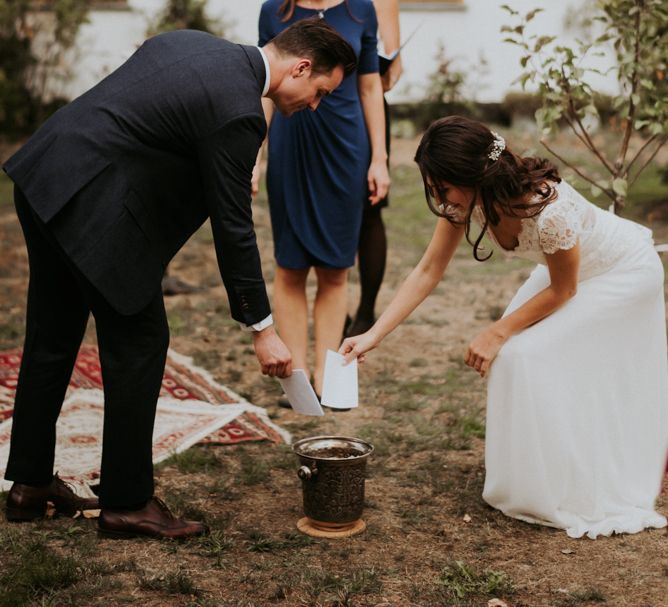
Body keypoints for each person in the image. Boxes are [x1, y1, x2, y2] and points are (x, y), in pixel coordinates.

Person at [2, 20, 357, 539]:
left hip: (47, 175)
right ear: (301, 68)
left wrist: (230, 165)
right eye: (320, 91)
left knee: (52, 337)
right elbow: (234, 230)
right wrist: (262, 328)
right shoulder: (239, 112)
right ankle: (127, 503)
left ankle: (29, 487)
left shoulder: (190, 43)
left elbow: (155, 115)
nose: (316, 104)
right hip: (93, 209)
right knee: (141, 343)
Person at [340, 116, 668, 539]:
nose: (441, 199)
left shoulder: (550, 209)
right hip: (567, 276)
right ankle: (526, 479)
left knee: (521, 353)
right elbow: (426, 271)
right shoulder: (465, 201)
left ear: (473, 174)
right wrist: (373, 335)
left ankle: (570, 482)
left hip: (620, 273)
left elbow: (564, 289)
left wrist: (497, 331)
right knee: (511, 358)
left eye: (444, 187)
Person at [255, 0, 390, 403]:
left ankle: (327, 377)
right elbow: (265, 87)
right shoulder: (273, 11)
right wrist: (255, 154)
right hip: (290, 142)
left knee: (335, 268)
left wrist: (379, 158)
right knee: (289, 265)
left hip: (345, 144)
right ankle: (295, 378)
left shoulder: (361, 10)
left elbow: (370, 85)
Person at [345, 0, 403, 338]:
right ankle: (332, 306)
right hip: (313, 112)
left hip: (364, 113)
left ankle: (365, 311)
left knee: (370, 209)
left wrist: (373, 71)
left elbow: (393, 73)